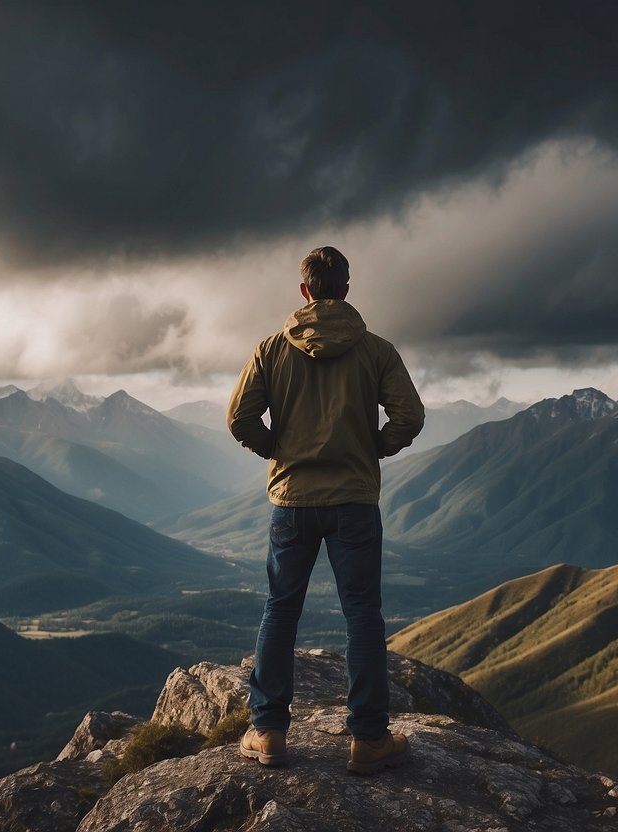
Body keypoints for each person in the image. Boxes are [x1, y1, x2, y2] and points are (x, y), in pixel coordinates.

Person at [226, 245, 424, 775]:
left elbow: (239, 419)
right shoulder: (376, 351)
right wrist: (372, 447)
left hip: (292, 501)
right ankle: (368, 740)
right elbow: (410, 416)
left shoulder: (271, 349)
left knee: (280, 609)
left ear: (305, 291)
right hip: (355, 502)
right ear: (347, 289)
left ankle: (267, 733)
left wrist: (280, 450)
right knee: (362, 615)